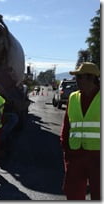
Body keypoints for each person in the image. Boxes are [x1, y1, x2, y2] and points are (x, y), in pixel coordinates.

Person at [60, 62, 100, 200]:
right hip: (75, 155)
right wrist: (66, 149)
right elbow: (67, 126)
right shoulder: (73, 97)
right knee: (73, 194)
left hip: (98, 157)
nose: (76, 80)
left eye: (79, 77)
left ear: (91, 78)